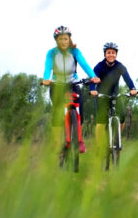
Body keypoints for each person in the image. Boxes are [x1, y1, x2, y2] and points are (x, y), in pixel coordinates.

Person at [42, 25, 100, 153]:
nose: (63, 41)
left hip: (73, 83)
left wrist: (93, 76)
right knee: (57, 112)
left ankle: (79, 140)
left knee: (80, 110)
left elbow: (84, 64)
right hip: (57, 84)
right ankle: (57, 142)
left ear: (69, 39)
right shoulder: (51, 53)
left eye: (65, 39)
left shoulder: (75, 52)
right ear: (56, 40)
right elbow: (48, 67)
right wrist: (46, 79)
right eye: (60, 39)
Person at [90, 42, 138, 156]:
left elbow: (128, 79)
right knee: (101, 121)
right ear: (105, 54)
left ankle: (117, 139)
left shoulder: (120, 66)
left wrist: (133, 88)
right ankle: (98, 147)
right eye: (108, 53)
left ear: (116, 54)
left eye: (113, 53)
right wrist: (93, 89)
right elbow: (93, 79)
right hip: (102, 96)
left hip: (116, 95)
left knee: (121, 118)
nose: (111, 55)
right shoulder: (99, 66)